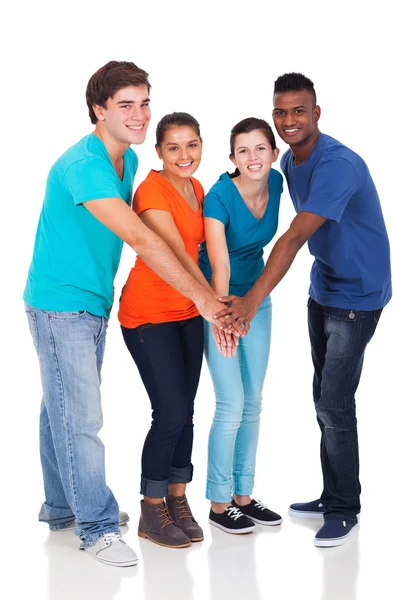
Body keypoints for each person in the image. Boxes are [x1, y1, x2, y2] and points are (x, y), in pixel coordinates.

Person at [23, 62, 228, 567]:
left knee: (61, 409)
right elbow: (141, 238)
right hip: (59, 304)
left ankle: (60, 508)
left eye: (143, 103)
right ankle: (94, 526)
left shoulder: (128, 162)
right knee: (81, 416)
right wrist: (204, 299)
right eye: (125, 105)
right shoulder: (84, 166)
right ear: (99, 110)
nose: (139, 116)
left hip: (93, 301)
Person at [214, 73, 392, 547]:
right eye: (281, 112)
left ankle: (344, 508)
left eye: (299, 111)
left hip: (359, 295)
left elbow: (293, 237)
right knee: (323, 399)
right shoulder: (288, 161)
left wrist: (249, 301)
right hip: (325, 288)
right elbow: (241, 185)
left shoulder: (339, 165)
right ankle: (332, 492)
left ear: (316, 113)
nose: (289, 120)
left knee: (335, 403)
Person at [119, 112, 220, 548]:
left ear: (201, 146)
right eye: (173, 147)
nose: (184, 155)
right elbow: (178, 253)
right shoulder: (150, 190)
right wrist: (214, 306)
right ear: (158, 151)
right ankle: (151, 507)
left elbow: (204, 251)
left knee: (188, 411)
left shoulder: (197, 189)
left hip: (188, 312)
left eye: (192, 145)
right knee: (171, 412)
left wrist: (208, 304)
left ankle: (178, 499)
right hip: (148, 315)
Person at [198, 118, 283, 534]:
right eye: (243, 151)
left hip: (257, 299)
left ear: (273, 153)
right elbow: (220, 262)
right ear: (232, 158)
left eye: (260, 149)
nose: (253, 158)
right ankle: (218, 503)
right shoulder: (218, 197)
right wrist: (223, 318)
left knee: (253, 401)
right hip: (218, 299)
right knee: (230, 402)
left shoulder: (278, 184)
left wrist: (249, 306)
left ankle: (243, 497)